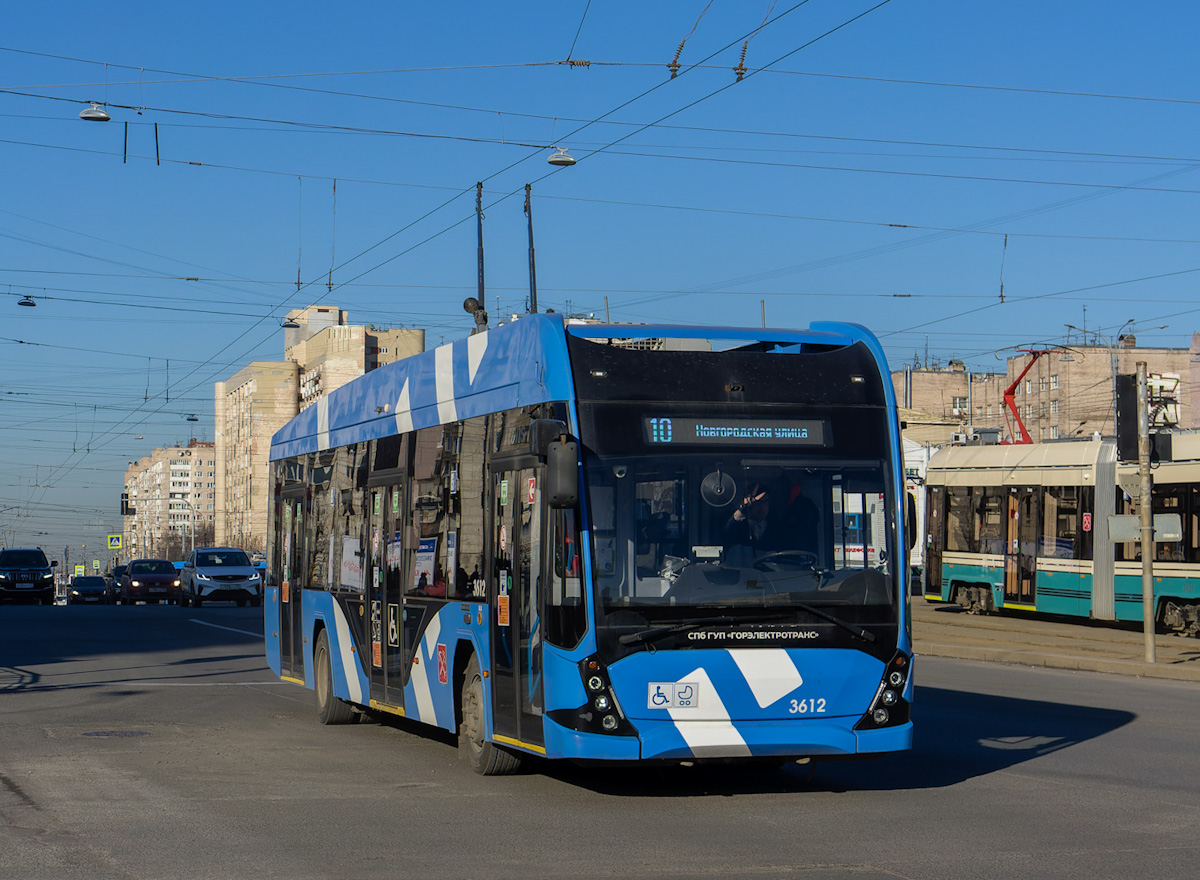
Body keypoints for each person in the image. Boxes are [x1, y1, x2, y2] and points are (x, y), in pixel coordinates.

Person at [724, 483, 770, 566]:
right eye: (758, 502)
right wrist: (743, 509)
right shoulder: (736, 527)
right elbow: (726, 532)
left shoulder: (775, 528)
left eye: (765, 502)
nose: (762, 507)